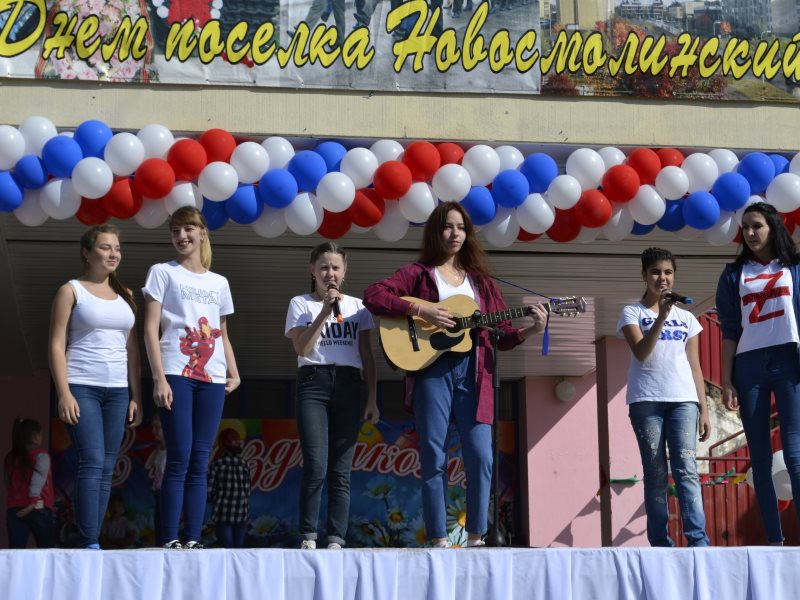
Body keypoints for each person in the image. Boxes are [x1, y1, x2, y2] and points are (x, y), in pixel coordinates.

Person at [363, 201, 548, 547]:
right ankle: (437, 537)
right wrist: (423, 309)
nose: (455, 233)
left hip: (476, 371)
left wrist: (531, 330)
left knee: (481, 455)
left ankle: (476, 536)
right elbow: (374, 294)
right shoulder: (419, 274)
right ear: (436, 232)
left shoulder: (483, 284)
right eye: (448, 226)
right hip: (431, 370)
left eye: (461, 227)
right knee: (433, 453)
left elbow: (502, 335)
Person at [143, 206, 241, 550]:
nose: (182, 236)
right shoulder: (162, 272)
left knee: (201, 459)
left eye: (188, 229)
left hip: (212, 377)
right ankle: (170, 537)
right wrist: (158, 378)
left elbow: (223, 332)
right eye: (175, 231)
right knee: (179, 456)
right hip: (176, 371)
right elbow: (150, 329)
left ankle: (193, 539)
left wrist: (234, 371)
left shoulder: (219, 282)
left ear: (203, 233)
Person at [48, 224, 142, 550]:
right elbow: (57, 344)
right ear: (86, 253)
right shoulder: (71, 290)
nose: (113, 253)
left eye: (116, 248)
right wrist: (64, 393)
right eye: (104, 247)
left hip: (117, 391)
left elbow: (132, 351)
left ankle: (93, 537)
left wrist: (135, 397)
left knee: (106, 465)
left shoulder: (127, 296)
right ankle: (89, 541)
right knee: (90, 459)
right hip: (82, 385)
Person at [285, 242, 379, 549]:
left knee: (341, 468)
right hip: (314, 382)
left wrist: (372, 398)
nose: (330, 274)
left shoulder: (358, 307)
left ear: (345, 271)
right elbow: (302, 348)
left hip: (350, 384)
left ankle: (336, 537)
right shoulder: (300, 303)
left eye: (336, 267)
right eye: (324, 267)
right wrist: (324, 311)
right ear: (312, 270)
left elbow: (367, 355)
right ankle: (309, 534)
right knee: (316, 463)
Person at [716, 201, 800, 545]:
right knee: (760, 459)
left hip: (789, 362)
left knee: (795, 456)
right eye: (746, 227)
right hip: (749, 366)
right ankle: (775, 541)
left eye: (757, 226)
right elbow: (729, 331)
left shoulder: (793, 266)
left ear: (772, 228)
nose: (750, 233)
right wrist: (725, 380)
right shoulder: (734, 274)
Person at [617, 247, 711, 548]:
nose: (663, 278)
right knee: (655, 473)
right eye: (656, 272)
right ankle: (660, 542)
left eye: (668, 272)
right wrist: (660, 318)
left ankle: (698, 541)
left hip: (684, 400)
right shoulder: (632, 313)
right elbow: (642, 353)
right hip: (647, 401)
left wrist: (704, 409)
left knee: (686, 469)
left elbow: (695, 366)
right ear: (644, 275)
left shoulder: (688, 318)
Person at [4, 418, 56, 549]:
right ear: (35, 436)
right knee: (47, 552)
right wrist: (33, 502)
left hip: (15, 510)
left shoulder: (11, 457)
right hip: (38, 507)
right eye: (41, 434)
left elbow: (9, 484)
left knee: (15, 552)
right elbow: (37, 480)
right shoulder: (41, 455)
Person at [207, 428, 251, 548]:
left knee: (226, 549)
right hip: (242, 514)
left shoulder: (216, 464)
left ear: (221, 444)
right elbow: (248, 490)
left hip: (222, 514)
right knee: (239, 550)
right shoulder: (244, 464)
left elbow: (209, 492)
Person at [144, 412, 167, 546]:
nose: (154, 431)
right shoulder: (158, 451)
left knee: (165, 528)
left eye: (157, 427)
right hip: (158, 493)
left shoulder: (173, 452)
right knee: (158, 528)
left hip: (167, 494)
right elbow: (149, 465)